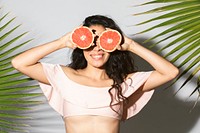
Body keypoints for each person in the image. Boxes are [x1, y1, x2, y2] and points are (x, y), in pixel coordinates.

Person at [11, 15, 179, 133]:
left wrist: (132, 45)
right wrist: (62, 42)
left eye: (102, 42)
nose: (96, 48)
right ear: (81, 45)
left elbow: (170, 72)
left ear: (113, 45)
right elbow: (19, 63)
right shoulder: (63, 76)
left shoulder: (124, 82)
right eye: (90, 42)